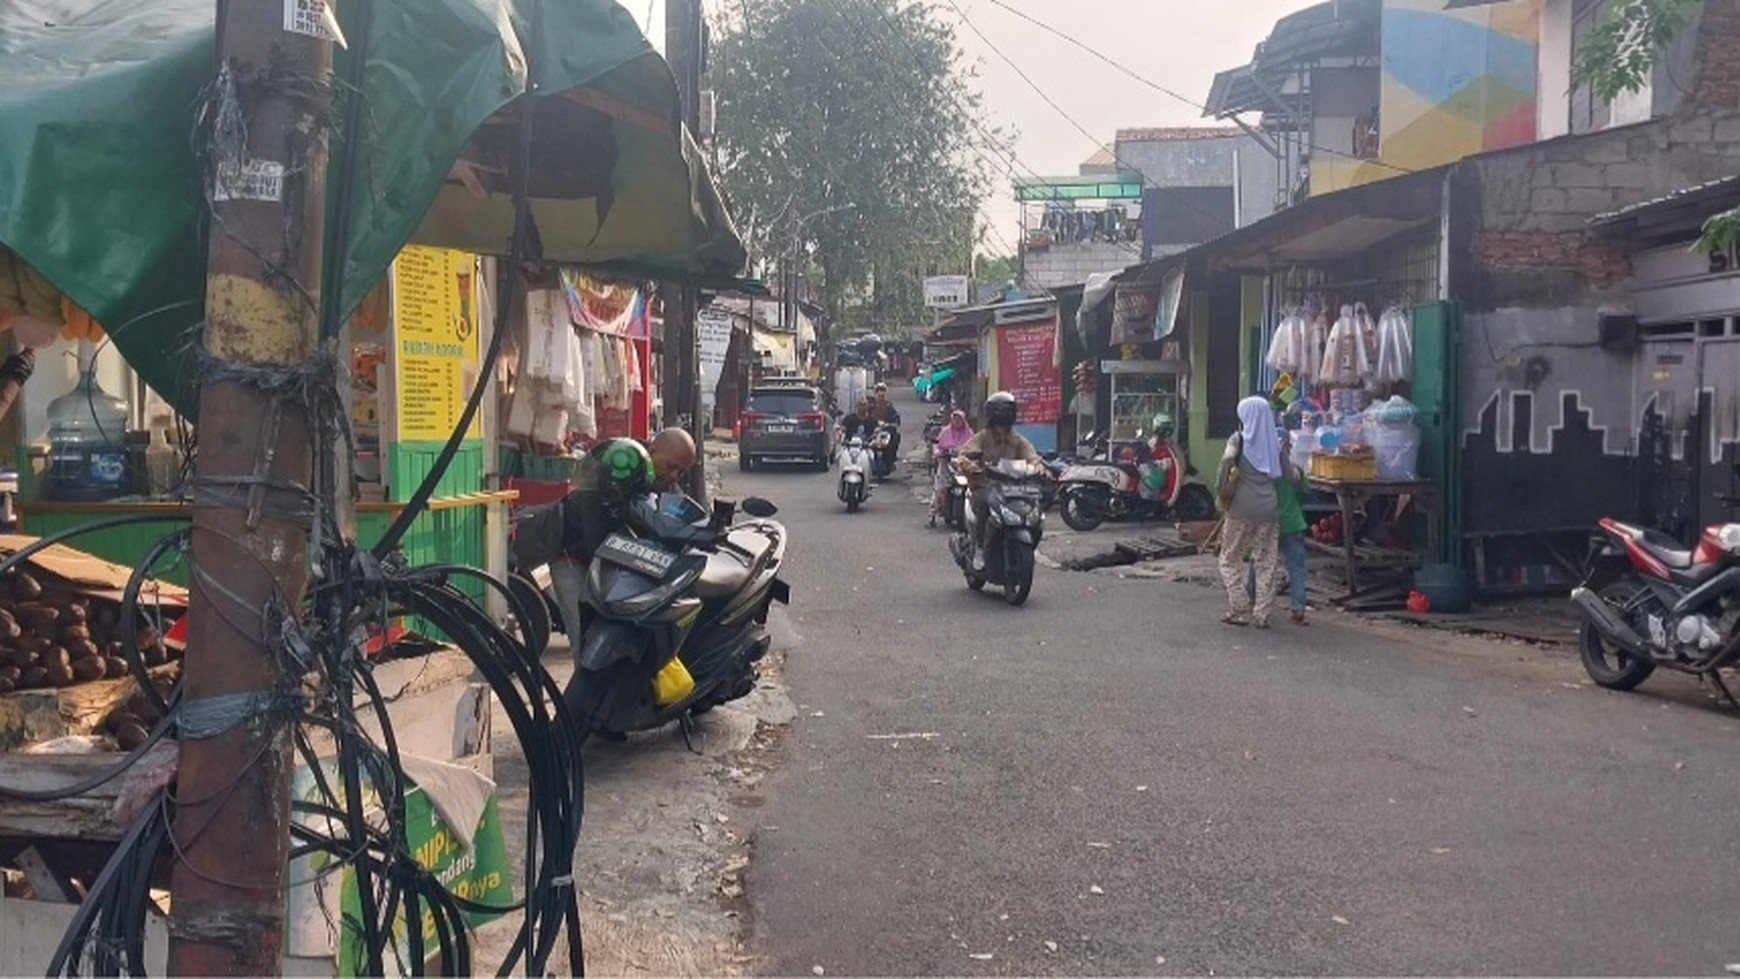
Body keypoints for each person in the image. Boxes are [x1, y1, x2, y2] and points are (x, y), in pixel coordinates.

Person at [510, 438, 656, 651]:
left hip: (592, 563)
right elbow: (597, 547)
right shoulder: (591, 499)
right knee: (584, 638)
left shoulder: (635, 497)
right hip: (569, 561)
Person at [955, 392, 1044, 569]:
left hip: (1013, 489)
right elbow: (964, 456)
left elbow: (1032, 457)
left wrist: (1038, 469)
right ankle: (979, 548)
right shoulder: (982, 437)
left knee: (1034, 508)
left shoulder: (1017, 440)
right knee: (985, 505)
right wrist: (975, 467)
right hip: (985, 486)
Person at [1217, 396, 1284, 627]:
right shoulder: (1275, 443)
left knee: (1229, 558)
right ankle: (1262, 614)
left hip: (1240, 510)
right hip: (1269, 510)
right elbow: (1290, 475)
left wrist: (1222, 491)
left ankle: (1238, 605)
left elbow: (1225, 464)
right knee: (1266, 561)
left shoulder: (1238, 440)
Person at [929, 409, 974, 526]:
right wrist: (938, 452)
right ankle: (932, 515)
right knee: (940, 487)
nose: (957, 422)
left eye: (959, 419)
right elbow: (937, 444)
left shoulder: (969, 434)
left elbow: (975, 447)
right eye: (955, 419)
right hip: (946, 464)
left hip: (962, 466)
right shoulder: (945, 432)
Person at [647, 427, 698, 492]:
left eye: (681, 472)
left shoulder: (674, 496)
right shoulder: (631, 466)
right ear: (651, 452)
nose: (674, 476)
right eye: (671, 466)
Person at [869, 382, 902, 467]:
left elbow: (896, 418)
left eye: (882, 396)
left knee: (896, 437)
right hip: (874, 432)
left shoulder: (889, 407)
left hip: (887, 431)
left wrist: (894, 422)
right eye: (879, 396)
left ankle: (891, 459)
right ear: (875, 395)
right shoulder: (871, 407)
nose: (881, 398)